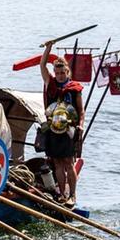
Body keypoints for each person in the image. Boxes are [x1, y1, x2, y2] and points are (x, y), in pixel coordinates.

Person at [41, 46, 85, 205]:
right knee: (57, 162)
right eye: (57, 73)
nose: (59, 75)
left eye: (62, 73)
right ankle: (62, 195)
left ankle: (72, 195)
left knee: (68, 162)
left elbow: (81, 111)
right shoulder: (51, 83)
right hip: (53, 129)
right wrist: (48, 48)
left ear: (67, 73)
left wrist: (80, 125)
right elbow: (42, 65)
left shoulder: (74, 88)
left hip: (68, 130)